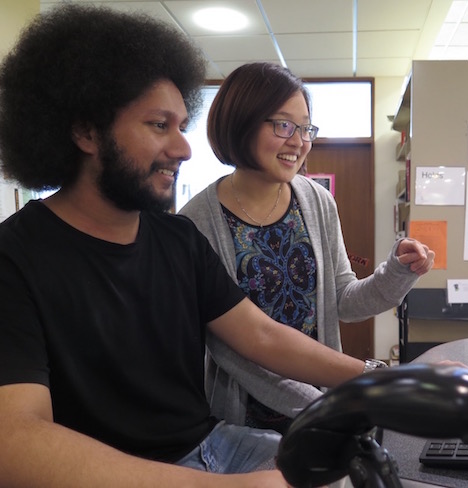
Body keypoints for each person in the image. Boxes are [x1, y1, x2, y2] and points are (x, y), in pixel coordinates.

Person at [0, 6, 368, 487]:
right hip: (113, 474)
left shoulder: (177, 239)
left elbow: (261, 336)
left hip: (210, 445)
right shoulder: (14, 258)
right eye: (159, 126)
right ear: (86, 132)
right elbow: (16, 440)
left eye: (180, 125)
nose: (183, 148)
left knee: (349, 467)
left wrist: (378, 380)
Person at [179, 62, 435, 434]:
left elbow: (344, 300)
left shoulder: (316, 200)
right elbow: (232, 348)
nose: (299, 142)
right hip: (243, 420)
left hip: (323, 404)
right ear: (241, 122)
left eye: (306, 128)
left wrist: (398, 271)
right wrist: (330, 400)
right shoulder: (196, 223)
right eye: (283, 125)